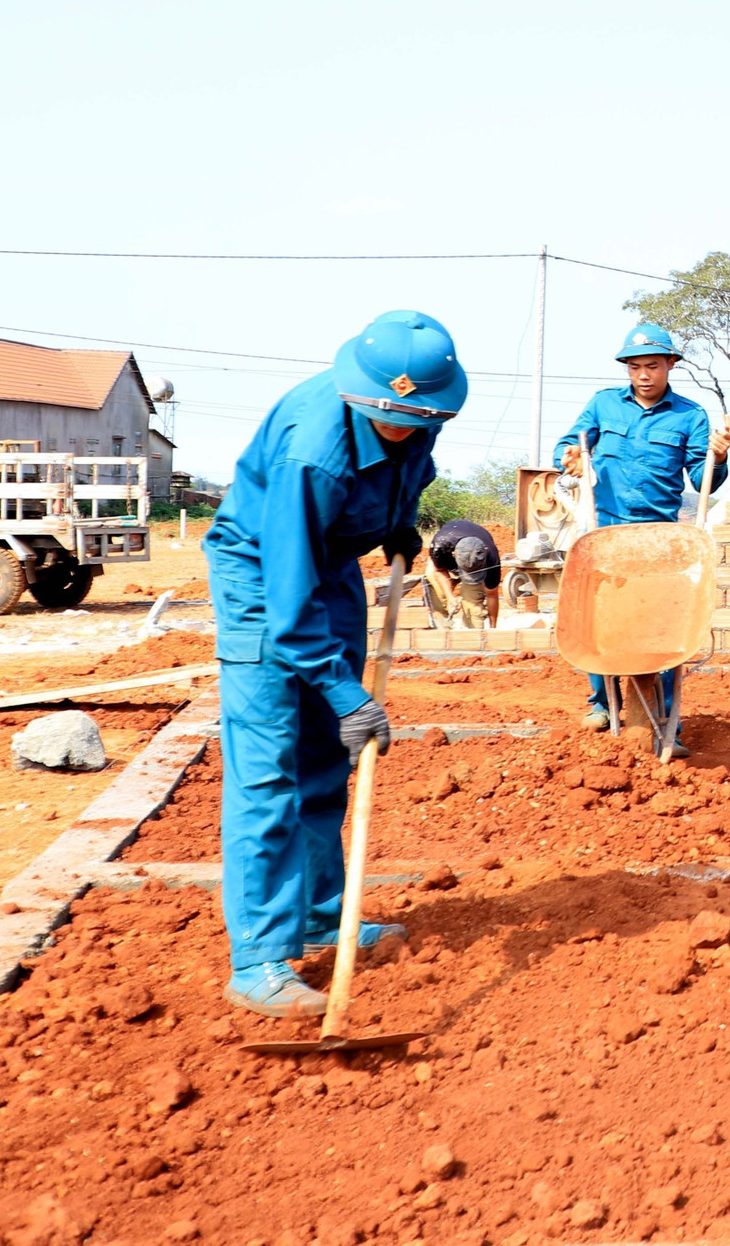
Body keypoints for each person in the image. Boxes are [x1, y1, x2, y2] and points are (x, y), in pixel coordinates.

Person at [203, 310, 466, 1018]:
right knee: (270, 773)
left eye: (420, 418)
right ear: (364, 395)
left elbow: (403, 473)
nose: (408, 429)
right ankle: (259, 957)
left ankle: (321, 913)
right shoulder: (311, 450)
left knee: (326, 760)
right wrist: (343, 691)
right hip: (264, 578)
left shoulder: (420, 415)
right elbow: (289, 604)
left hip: (333, 564)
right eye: (395, 419)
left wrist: (394, 524)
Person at [555, 321, 730, 754]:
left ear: (670, 365)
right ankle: (601, 703)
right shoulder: (602, 406)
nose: (644, 375)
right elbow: (569, 444)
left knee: (665, 626)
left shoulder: (690, 415)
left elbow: (700, 475)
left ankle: (670, 718)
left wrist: (719, 455)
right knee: (602, 620)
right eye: (634, 368)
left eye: (652, 366)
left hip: (661, 539)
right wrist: (571, 456)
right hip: (608, 531)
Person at [426, 519, 502, 629]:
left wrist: (493, 628)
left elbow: (492, 595)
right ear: (453, 554)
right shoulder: (440, 546)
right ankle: (443, 628)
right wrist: (450, 598)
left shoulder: (491, 558)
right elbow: (439, 571)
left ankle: (472, 637)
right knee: (435, 593)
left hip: (479, 563)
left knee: (473, 609)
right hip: (444, 563)